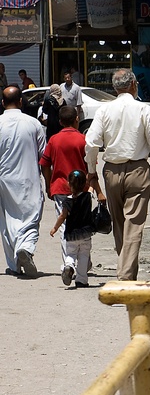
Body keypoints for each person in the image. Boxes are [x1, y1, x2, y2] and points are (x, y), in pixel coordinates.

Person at [85, 69, 150, 281]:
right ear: (133, 84)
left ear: (115, 88)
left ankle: (126, 273)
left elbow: (91, 143)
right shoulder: (144, 109)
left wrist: (91, 172)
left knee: (120, 224)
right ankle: (125, 276)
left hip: (112, 171)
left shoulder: (104, 111)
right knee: (134, 225)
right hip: (138, 170)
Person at [40, 105, 95, 279]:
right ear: (76, 119)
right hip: (83, 190)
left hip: (61, 188)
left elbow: (44, 164)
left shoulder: (54, 140)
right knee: (83, 225)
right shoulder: (83, 140)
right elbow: (90, 166)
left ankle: (68, 263)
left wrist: (49, 184)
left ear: (60, 121)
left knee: (65, 226)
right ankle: (83, 262)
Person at [0, 86, 46, 277]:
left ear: (3, 103)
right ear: (21, 101)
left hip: (3, 179)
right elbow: (44, 155)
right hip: (29, 178)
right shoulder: (33, 124)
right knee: (31, 215)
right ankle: (26, 247)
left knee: (7, 220)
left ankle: (13, 264)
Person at [49, 170, 94, 288]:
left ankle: (69, 266)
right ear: (84, 184)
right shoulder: (87, 196)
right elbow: (91, 188)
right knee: (84, 255)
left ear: (69, 184)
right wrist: (91, 179)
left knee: (71, 254)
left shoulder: (68, 201)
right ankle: (82, 279)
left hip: (71, 234)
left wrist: (55, 228)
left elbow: (62, 216)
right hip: (85, 233)